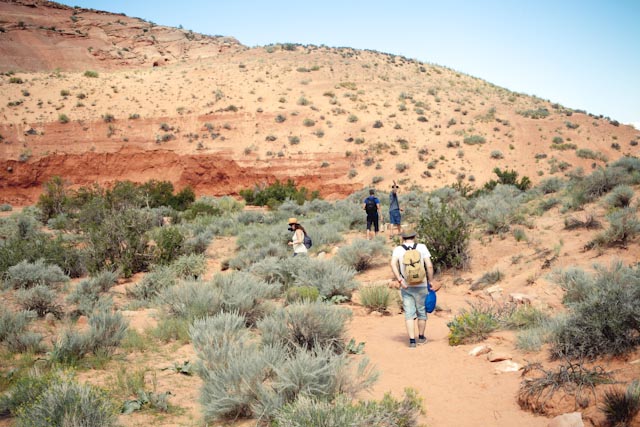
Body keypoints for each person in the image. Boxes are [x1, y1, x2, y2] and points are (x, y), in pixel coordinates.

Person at [390, 230, 438, 348]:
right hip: (421, 284)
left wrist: (400, 280)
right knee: (421, 310)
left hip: (406, 286)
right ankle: (421, 337)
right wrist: (430, 281)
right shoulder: (421, 247)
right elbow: (429, 265)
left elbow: (392, 264)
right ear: (414, 237)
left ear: (402, 238)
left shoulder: (398, 249)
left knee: (409, 312)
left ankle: (412, 341)